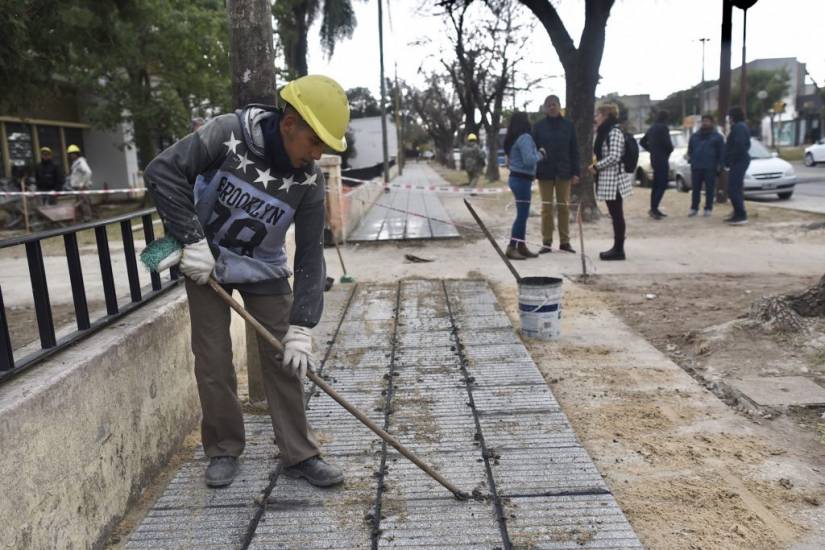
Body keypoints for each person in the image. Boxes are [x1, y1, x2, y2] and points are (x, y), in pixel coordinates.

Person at [144, 75, 349, 489]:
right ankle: (222, 449)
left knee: (286, 359)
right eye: (314, 141)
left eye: (324, 146)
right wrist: (190, 240)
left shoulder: (309, 180)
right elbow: (162, 171)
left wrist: (302, 324)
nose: (317, 153)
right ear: (289, 123)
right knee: (213, 361)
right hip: (207, 262)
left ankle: (300, 454)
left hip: (265, 268)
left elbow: (311, 254)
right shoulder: (226, 134)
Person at [532, 95, 580, 254]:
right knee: (546, 207)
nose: (552, 107)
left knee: (563, 207)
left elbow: (574, 150)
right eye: (549, 105)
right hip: (544, 172)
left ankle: (565, 242)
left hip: (564, 172)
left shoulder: (568, 125)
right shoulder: (538, 127)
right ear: (545, 108)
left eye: (554, 104)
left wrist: (576, 172)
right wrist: (534, 170)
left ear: (560, 106)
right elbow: (533, 150)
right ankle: (546, 241)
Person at [589, 103, 631, 261]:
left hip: (614, 179)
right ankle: (617, 247)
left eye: (598, 115)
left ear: (606, 115)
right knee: (615, 214)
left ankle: (619, 249)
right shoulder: (605, 131)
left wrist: (596, 166)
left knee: (617, 215)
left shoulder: (614, 132)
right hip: (608, 178)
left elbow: (614, 156)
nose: (596, 118)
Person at [503, 112, 544, 260]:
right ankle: (512, 246)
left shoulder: (514, 139)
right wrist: (541, 154)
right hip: (521, 180)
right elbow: (529, 160)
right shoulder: (525, 138)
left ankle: (521, 246)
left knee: (523, 214)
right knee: (522, 216)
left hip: (517, 179)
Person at [687, 114, 725, 217]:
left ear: (712, 123)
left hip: (710, 167)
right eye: (703, 121)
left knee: (710, 189)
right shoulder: (694, 136)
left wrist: (719, 166)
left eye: (707, 121)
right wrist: (691, 160)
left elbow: (721, 153)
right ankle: (694, 208)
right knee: (695, 189)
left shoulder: (717, 137)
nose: (705, 123)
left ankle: (708, 208)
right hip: (696, 166)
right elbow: (690, 150)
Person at [640, 110, 673, 219]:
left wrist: (651, 150)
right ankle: (654, 208)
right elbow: (668, 144)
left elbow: (642, 142)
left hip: (654, 158)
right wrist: (668, 150)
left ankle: (654, 207)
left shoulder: (652, 128)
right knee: (662, 184)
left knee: (656, 184)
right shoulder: (663, 128)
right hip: (662, 158)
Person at [724, 106, 751, 225]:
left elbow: (739, 145)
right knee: (736, 188)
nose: (728, 119)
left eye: (729, 116)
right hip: (740, 160)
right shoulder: (741, 126)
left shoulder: (738, 127)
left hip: (738, 160)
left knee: (733, 188)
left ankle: (741, 215)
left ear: (732, 117)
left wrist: (731, 159)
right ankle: (737, 212)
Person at [67, 144, 93, 221]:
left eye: (73, 154)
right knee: (81, 202)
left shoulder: (80, 162)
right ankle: (83, 218)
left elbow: (88, 172)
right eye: (70, 154)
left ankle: (88, 218)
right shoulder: (75, 163)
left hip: (82, 187)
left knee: (84, 202)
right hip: (77, 187)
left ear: (76, 153)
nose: (71, 155)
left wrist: (82, 184)